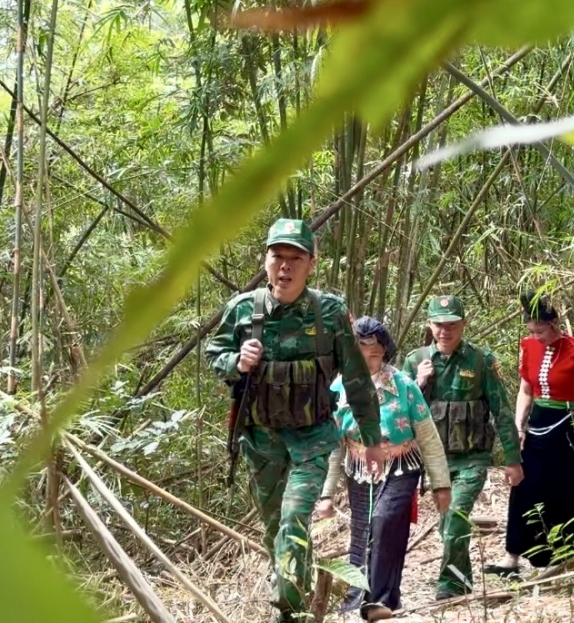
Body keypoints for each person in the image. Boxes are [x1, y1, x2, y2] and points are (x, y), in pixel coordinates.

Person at [204, 218, 386, 623]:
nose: (285, 267)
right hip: (262, 441)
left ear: (311, 263)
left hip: (312, 441)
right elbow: (214, 353)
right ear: (265, 260)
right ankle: (301, 606)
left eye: (295, 258)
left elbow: (357, 380)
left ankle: (286, 610)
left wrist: (372, 439)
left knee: (293, 519)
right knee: (277, 534)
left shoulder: (330, 313)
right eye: (277, 257)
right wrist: (236, 361)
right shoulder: (242, 310)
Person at [315, 317, 453, 621]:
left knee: (385, 520)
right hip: (360, 467)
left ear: (385, 351)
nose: (367, 357)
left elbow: (428, 437)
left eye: (374, 350)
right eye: (360, 349)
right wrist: (326, 495)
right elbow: (335, 447)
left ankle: (381, 600)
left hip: (402, 465)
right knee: (362, 530)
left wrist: (442, 484)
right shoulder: (339, 388)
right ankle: (356, 599)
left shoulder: (404, 385)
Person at [400, 295, 525, 600]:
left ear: (463, 325)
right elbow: (399, 412)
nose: (445, 331)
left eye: (452, 325)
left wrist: (513, 459)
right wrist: (418, 382)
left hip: (472, 458)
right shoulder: (416, 361)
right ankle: (461, 579)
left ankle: (450, 586)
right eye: (439, 325)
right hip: (436, 461)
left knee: (455, 517)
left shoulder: (481, 360)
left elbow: (502, 410)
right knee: (448, 525)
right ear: (430, 325)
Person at [487, 292, 574, 574]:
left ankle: (565, 554)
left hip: (570, 421)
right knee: (524, 483)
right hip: (539, 420)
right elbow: (525, 389)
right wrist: (518, 426)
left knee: (568, 487)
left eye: (541, 330)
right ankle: (512, 555)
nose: (536, 336)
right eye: (532, 330)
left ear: (555, 324)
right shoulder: (528, 346)